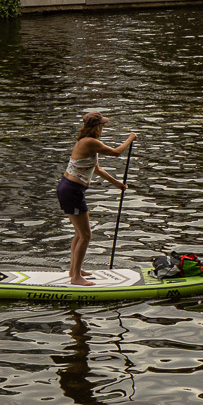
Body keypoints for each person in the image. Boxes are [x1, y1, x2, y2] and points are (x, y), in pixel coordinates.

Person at [56, 112, 135, 286]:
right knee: (86, 235)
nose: (103, 128)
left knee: (80, 233)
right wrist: (130, 139)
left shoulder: (85, 142)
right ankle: (76, 277)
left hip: (70, 189)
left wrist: (117, 184)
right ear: (96, 127)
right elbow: (116, 153)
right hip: (72, 190)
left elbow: (97, 169)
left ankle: (73, 270)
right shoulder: (90, 142)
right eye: (102, 125)